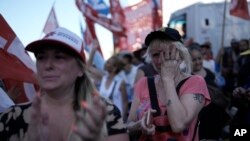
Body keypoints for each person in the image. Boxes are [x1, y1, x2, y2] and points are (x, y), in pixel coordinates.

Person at [0, 27, 129, 141]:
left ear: (80, 70)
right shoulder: (12, 117)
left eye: (59, 57)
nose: (48, 65)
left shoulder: (103, 112)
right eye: (41, 57)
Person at [126, 27, 210, 141]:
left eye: (167, 52)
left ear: (180, 54)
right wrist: (139, 125)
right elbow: (128, 125)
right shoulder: (143, 83)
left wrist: (167, 79)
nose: (161, 59)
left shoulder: (195, 82)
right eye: (155, 54)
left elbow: (178, 125)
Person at [188, 44, 229, 140]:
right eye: (194, 60)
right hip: (200, 119)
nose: (198, 62)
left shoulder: (209, 73)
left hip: (216, 116)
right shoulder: (188, 77)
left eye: (199, 58)